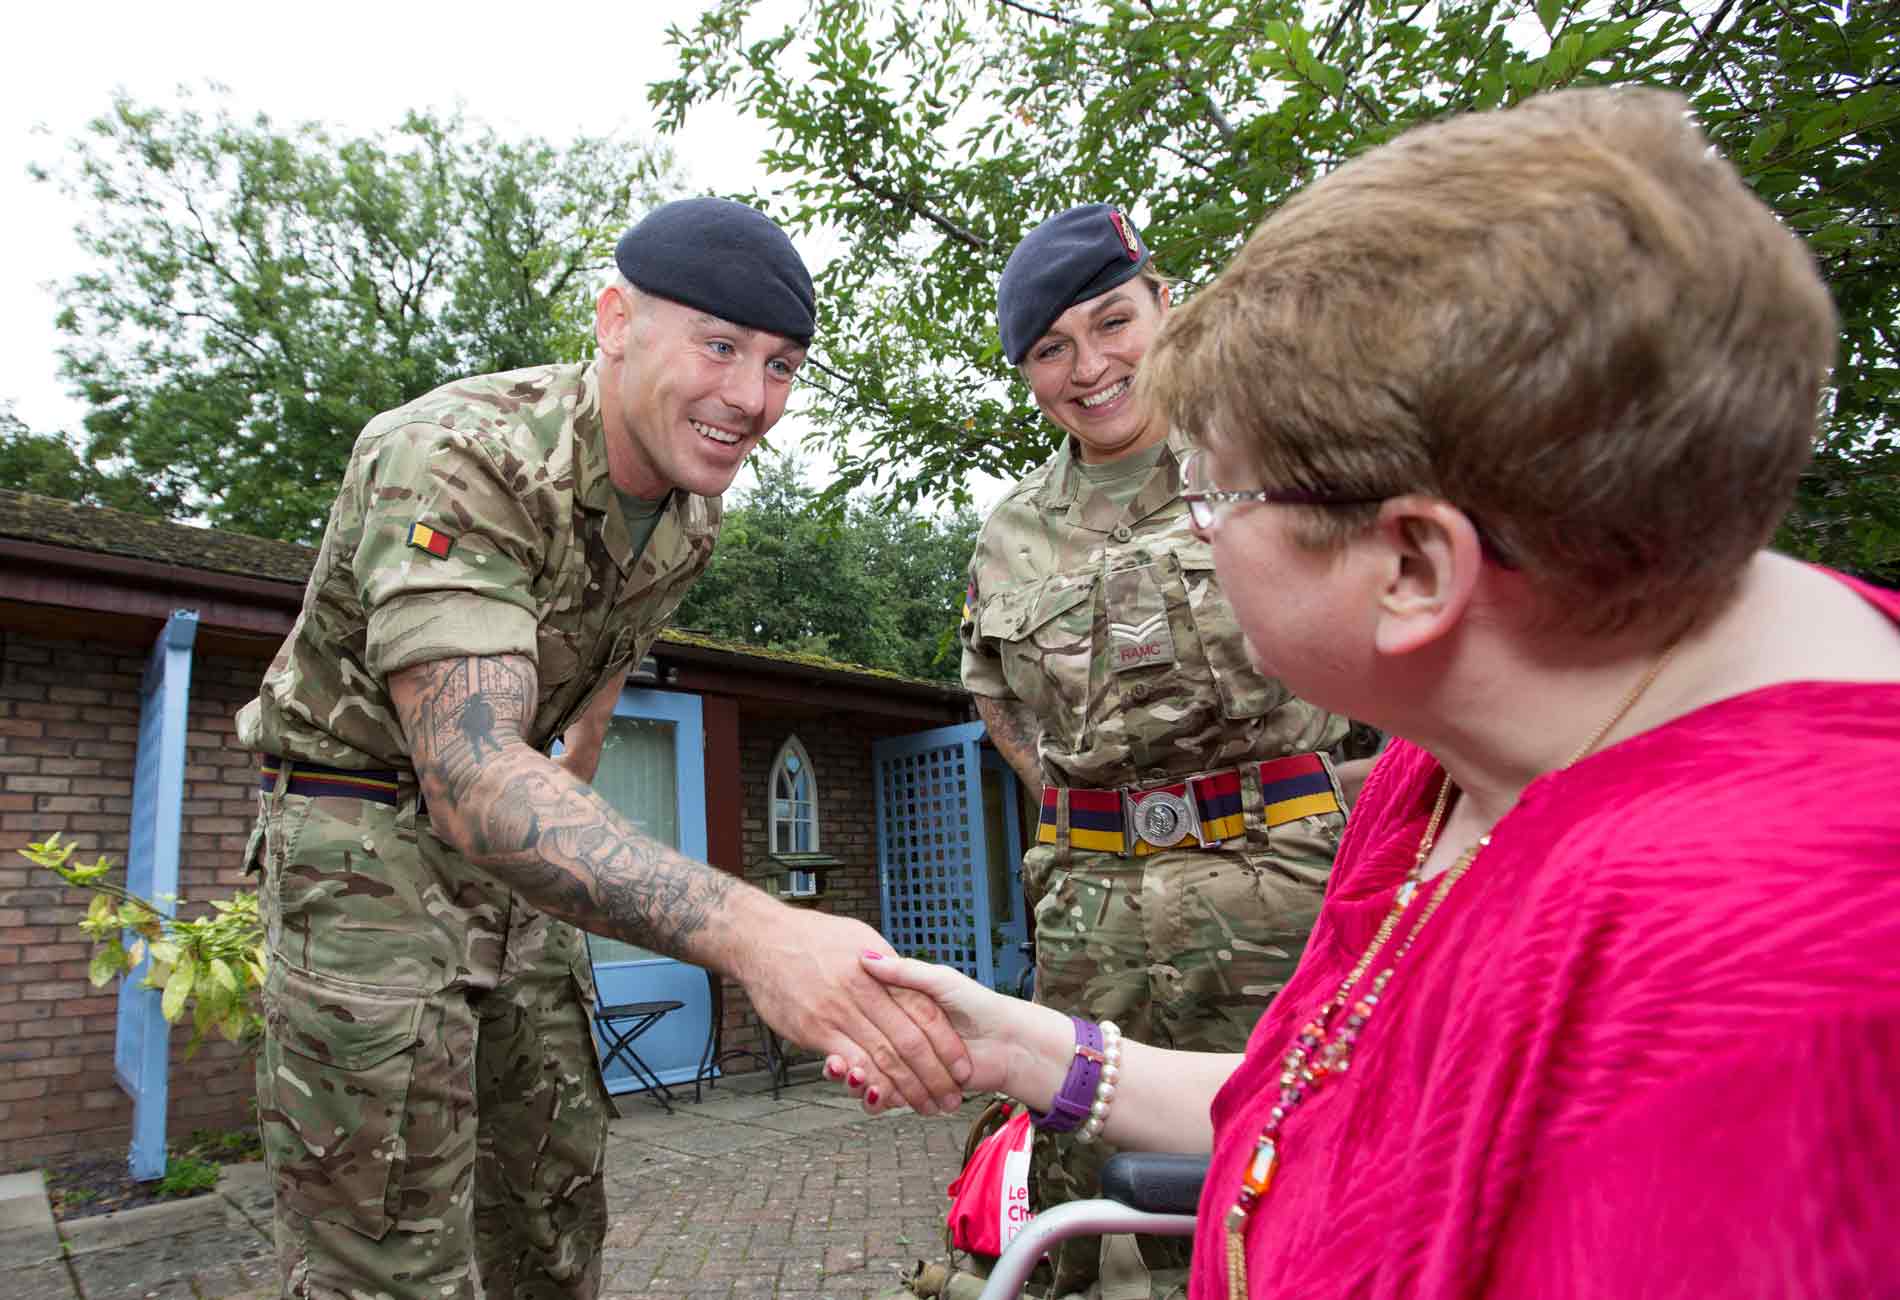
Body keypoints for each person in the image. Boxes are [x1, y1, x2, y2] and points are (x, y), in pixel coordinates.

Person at [843, 87, 1900, 1297]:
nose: (1191, 529)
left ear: (1412, 566)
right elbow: (1319, 1104)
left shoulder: (1766, 987)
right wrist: (1031, 1046)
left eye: (1215, 497)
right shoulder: (1440, 781)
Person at [236, 197, 968, 1300]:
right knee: (382, 1242)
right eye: (719, 346)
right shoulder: (451, 455)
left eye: (780, 365)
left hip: (511, 854)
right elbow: (472, 773)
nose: (750, 398)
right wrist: (757, 935)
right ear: (615, 319)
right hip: (362, 839)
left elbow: (602, 646)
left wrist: (570, 767)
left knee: (552, 1197)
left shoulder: (689, 512)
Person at [959, 203, 1366, 1297]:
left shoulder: (1277, 462)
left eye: (1111, 322)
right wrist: (1090, 825)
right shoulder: (1009, 532)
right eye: (1050, 349)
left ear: (1163, 306)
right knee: (1061, 1221)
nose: (1088, 366)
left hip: (1275, 896)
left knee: (1274, 1196)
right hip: (1089, 915)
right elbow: (1000, 701)